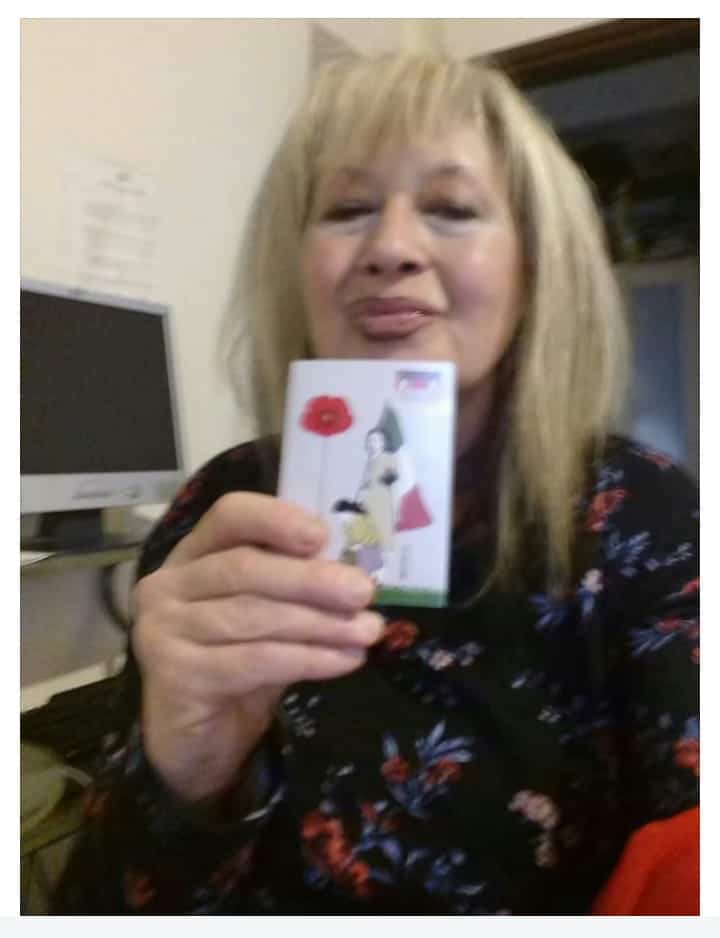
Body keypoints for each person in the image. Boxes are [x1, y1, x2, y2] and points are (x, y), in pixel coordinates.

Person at [53, 53, 699, 915]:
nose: (390, 249)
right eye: (348, 209)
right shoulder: (225, 505)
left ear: (535, 267)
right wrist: (185, 768)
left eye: (452, 209)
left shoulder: (646, 516)